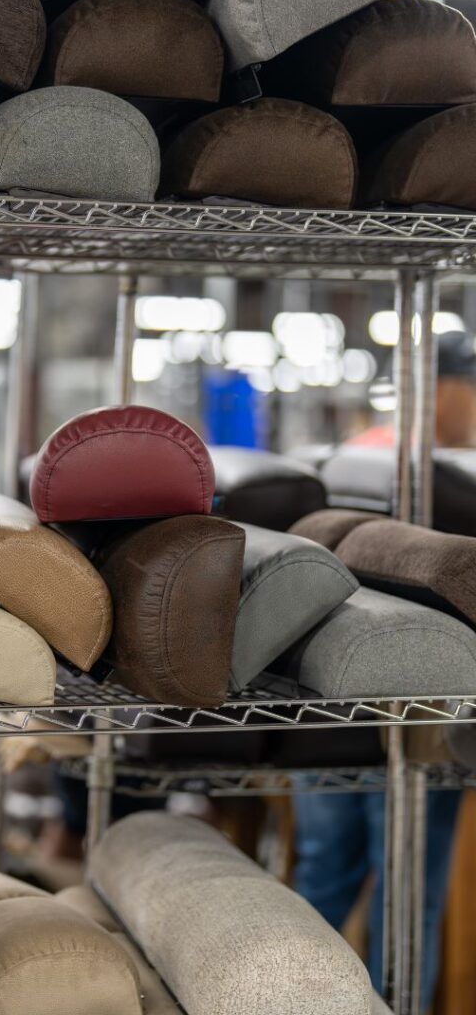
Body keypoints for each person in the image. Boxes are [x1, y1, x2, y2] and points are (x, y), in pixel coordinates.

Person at [294, 330, 476, 1010]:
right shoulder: (441, 477)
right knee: (406, 887)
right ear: (446, 391)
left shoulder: (353, 457)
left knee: (329, 870)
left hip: (328, 689)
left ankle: (291, 996)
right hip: (421, 699)